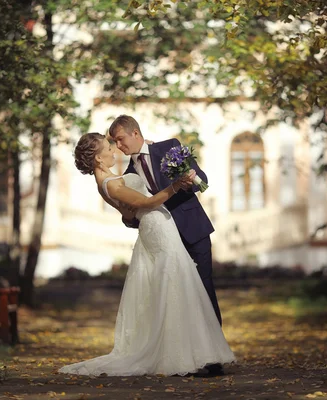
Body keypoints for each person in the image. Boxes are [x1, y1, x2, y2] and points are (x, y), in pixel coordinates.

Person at [58, 132, 235, 377]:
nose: (114, 150)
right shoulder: (109, 183)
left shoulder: (111, 178)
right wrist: (174, 187)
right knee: (175, 287)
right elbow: (147, 203)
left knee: (181, 287)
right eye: (109, 147)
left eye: (116, 143)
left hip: (163, 227)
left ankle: (199, 352)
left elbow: (129, 214)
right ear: (98, 159)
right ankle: (182, 354)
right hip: (158, 230)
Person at [109, 115, 225, 376]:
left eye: (120, 139)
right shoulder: (128, 174)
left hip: (193, 230)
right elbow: (135, 216)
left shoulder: (168, 147)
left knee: (205, 290)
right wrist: (130, 217)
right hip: (164, 241)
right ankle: (189, 355)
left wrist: (191, 178)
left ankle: (214, 357)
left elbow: (202, 180)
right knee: (180, 295)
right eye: (115, 142)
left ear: (135, 133)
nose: (119, 146)